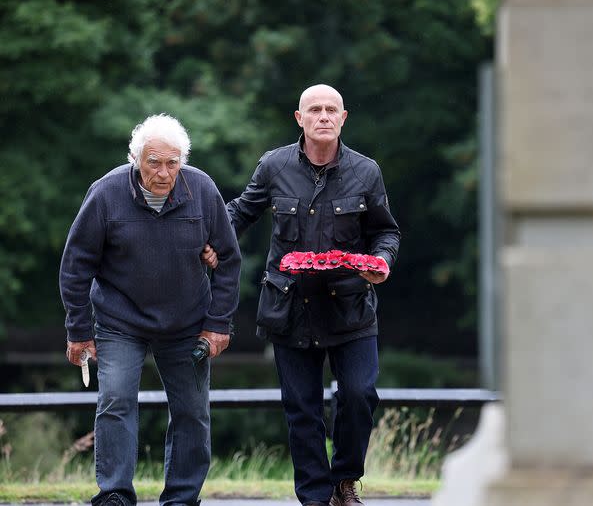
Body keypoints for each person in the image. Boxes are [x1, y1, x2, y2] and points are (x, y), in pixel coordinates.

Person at [219, 84, 400, 506]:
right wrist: (205, 236)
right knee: (302, 409)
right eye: (314, 109)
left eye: (330, 109)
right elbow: (240, 213)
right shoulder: (273, 165)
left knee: (358, 395)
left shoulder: (366, 171)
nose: (323, 115)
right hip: (290, 308)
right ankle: (315, 498)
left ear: (343, 118)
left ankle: (345, 482)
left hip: (350, 307)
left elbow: (385, 230)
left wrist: (382, 261)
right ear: (299, 118)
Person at [59, 114, 241, 506]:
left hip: (187, 322)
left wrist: (218, 324)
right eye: (153, 163)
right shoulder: (106, 193)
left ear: (182, 161)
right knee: (116, 400)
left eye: (172, 163)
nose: (163, 172)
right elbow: (75, 265)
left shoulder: (204, 190)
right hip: (120, 320)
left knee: (193, 411)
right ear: (135, 159)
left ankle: (181, 496)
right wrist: (78, 330)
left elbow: (227, 259)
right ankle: (115, 493)